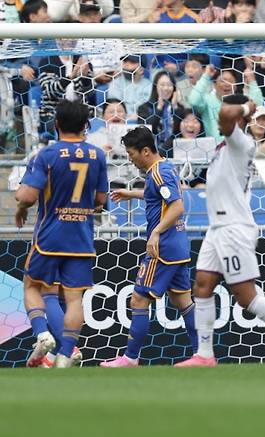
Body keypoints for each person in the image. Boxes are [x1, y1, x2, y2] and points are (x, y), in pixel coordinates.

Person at [174, 95, 265, 367]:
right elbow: (226, 115)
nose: (220, 117)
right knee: (203, 285)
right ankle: (205, 355)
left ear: (239, 117)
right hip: (216, 228)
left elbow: (227, 115)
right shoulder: (223, 146)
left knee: (245, 296)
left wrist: (246, 108)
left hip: (233, 228)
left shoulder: (239, 141)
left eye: (227, 112)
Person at [15, 100, 108, 368]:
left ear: (56, 124)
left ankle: (42, 334)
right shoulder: (97, 155)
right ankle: (66, 355)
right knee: (74, 298)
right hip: (81, 237)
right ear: (85, 126)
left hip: (49, 236)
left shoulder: (47, 154)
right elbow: (100, 199)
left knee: (32, 286)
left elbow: (28, 196)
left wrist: (20, 203)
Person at [100, 127, 198, 367]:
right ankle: (202, 354)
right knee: (183, 302)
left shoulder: (158, 173)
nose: (130, 159)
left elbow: (177, 207)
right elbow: (159, 197)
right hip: (177, 246)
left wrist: (155, 232)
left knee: (138, 300)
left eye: (132, 153)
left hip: (162, 248)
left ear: (145, 151)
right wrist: (131, 193)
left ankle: (131, 358)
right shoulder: (163, 168)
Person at [188, 61, 264, 141]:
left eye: (231, 81)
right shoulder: (208, 100)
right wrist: (206, 76)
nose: (226, 84)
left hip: (237, 146)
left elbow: (258, 105)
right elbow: (193, 101)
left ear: (235, 86)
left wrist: (252, 81)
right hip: (214, 149)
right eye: (222, 81)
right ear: (214, 84)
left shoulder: (240, 101)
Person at [137, 71, 186, 156]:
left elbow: (179, 131)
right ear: (155, 87)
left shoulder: (179, 109)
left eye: (169, 85)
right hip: (151, 154)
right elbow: (146, 130)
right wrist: (159, 108)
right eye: (162, 85)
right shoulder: (144, 108)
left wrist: (175, 106)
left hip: (176, 153)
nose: (166, 88)